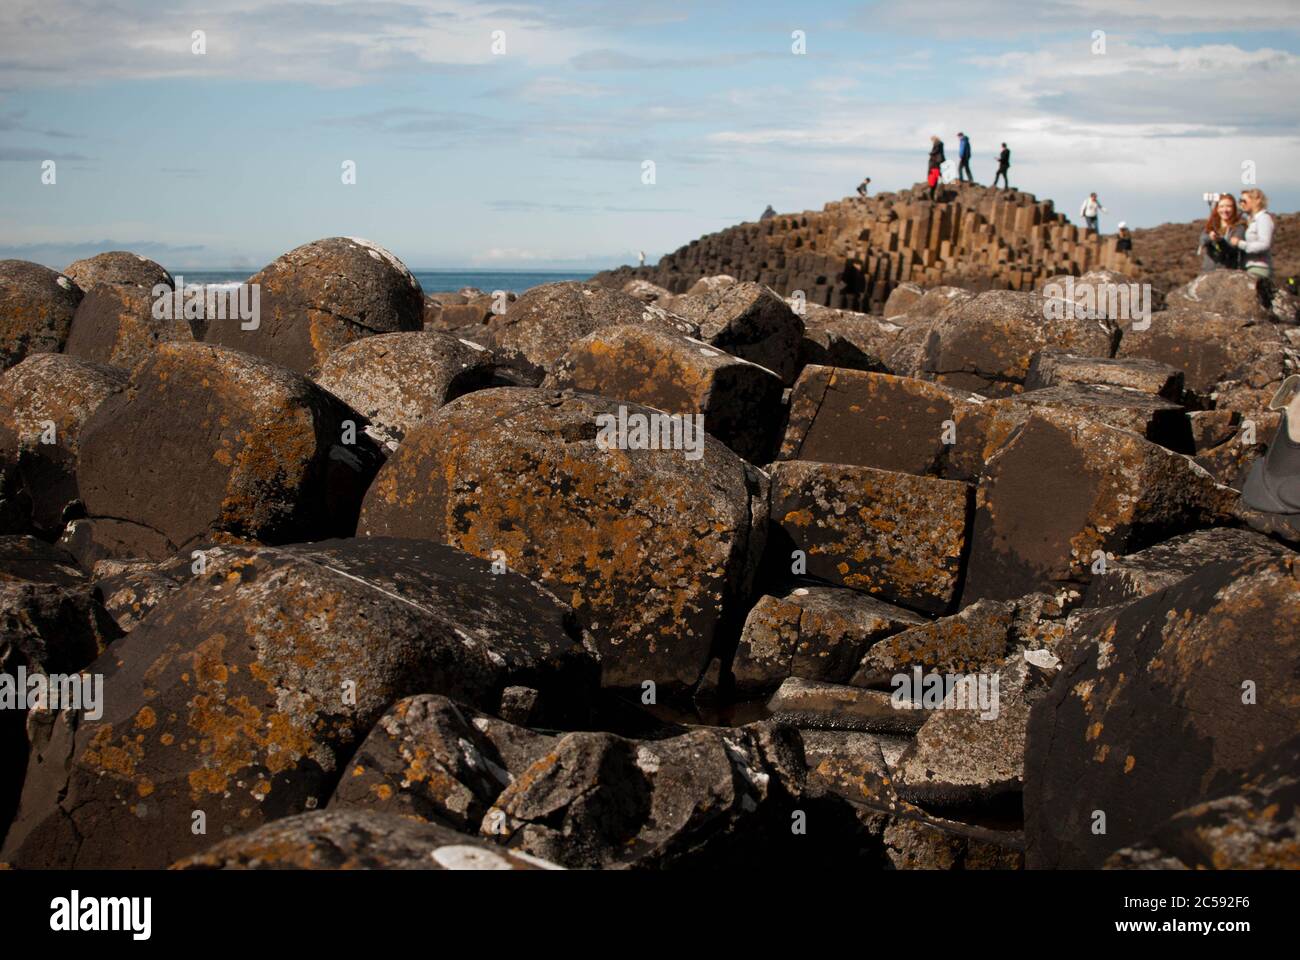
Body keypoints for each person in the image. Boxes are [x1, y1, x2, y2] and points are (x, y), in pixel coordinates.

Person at [1231, 188, 1274, 282]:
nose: (1241, 203)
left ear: (1257, 200)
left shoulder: (1263, 218)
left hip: (1259, 269)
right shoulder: (1251, 220)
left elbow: (1264, 244)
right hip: (1249, 267)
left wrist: (1240, 243)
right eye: (1240, 201)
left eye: (1244, 201)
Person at [1197, 194, 1244, 272]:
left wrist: (1220, 241)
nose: (1225, 210)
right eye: (1221, 206)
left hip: (1228, 273)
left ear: (1234, 208)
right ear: (1217, 209)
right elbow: (1202, 239)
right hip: (1208, 272)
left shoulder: (1239, 228)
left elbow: (1232, 250)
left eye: (1228, 206)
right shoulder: (1211, 225)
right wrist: (1210, 238)